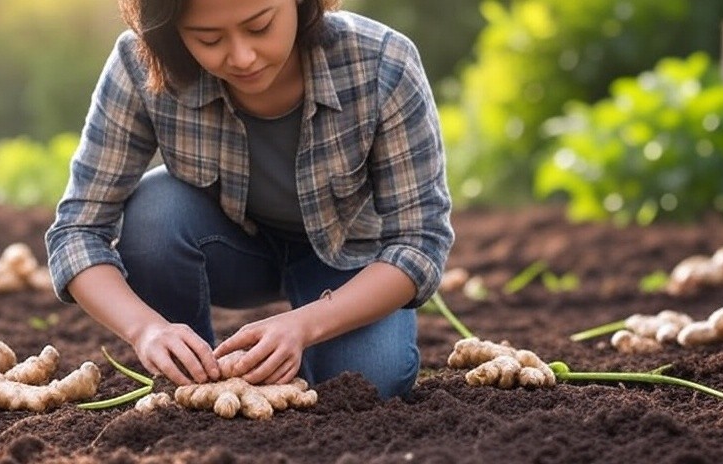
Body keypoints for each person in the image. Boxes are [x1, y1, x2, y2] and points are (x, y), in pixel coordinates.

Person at [45, 0, 453, 400]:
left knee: (367, 382)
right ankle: (192, 375)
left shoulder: (381, 62)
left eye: (260, 27)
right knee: (154, 213)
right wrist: (146, 329)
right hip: (232, 246)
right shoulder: (142, 66)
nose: (242, 57)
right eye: (208, 38)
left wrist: (305, 325)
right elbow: (77, 231)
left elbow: (418, 243)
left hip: (348, 259)